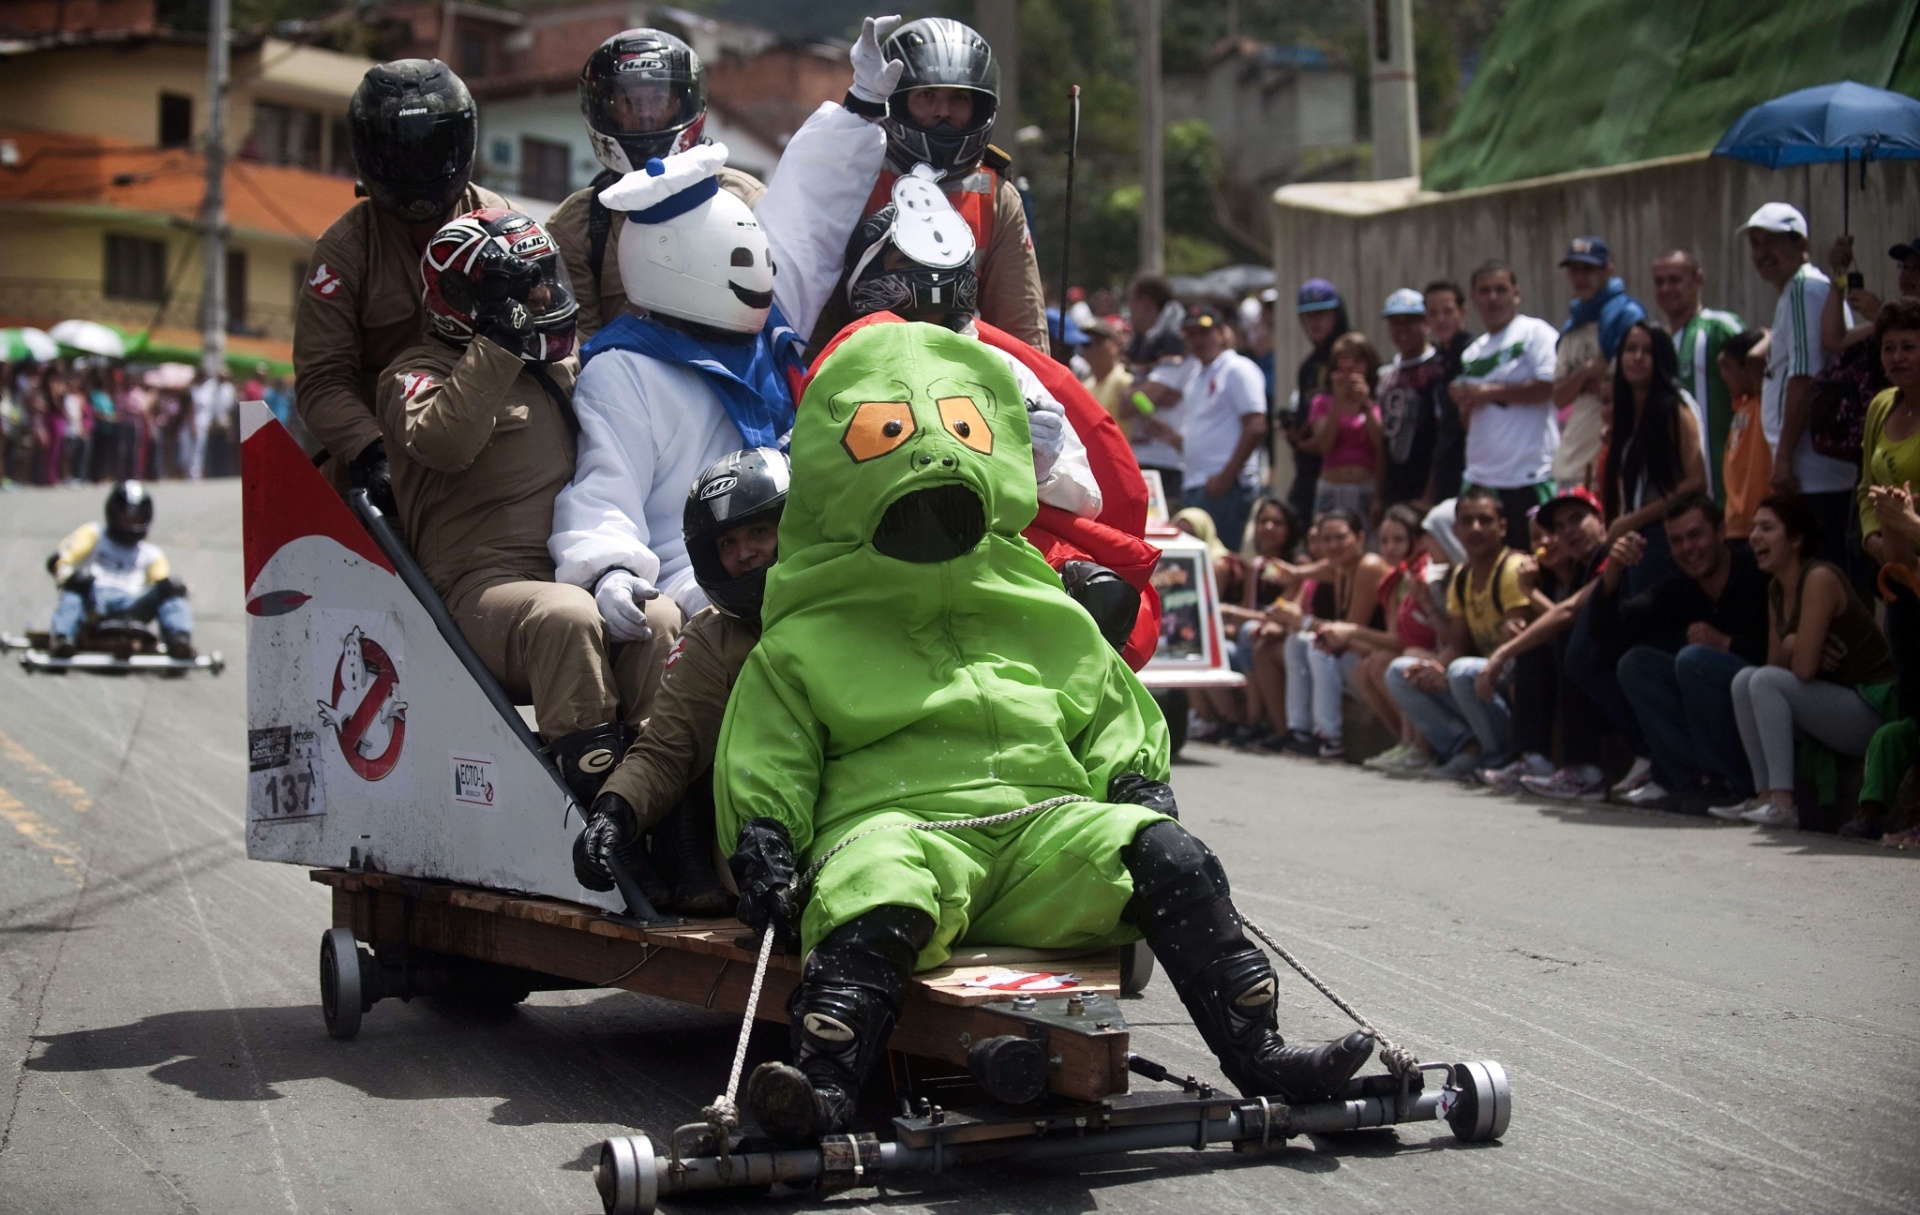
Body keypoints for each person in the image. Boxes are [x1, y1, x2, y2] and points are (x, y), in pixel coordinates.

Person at [712, 322, 1374, 1146]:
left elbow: (1106, 704)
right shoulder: (804, 634)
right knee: (874, 883)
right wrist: (767, 834)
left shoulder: (1040, 606)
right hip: (900, 830)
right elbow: (767, 749)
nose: (932, 464)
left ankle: (1264, 1053)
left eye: (959, 432)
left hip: (1046, 834)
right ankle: (822, 1090)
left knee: (1166, 851)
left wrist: (1135, 780)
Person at [375, 206, 657, 803]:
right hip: (481, 589)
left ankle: (669, 819)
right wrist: (497, 342)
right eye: (519, 287)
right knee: (564, 617)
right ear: (462, 298)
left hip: (576, 570)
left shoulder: (560, 367)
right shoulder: (412, 374)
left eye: (544, 276)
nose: (542, 294)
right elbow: (444, 442)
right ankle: (601, 823)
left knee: (659, 621)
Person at [547, 143, 823, 631]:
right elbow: (605, 489)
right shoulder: (624, 368)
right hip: (690, 579)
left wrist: (860, 109)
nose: (760, 272)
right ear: (673, 260)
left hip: (798, 563)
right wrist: (611, 567)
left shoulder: (769, 343)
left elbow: (816, 206)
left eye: (758, 256)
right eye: (739, 257)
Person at [572, 448, 788, 914]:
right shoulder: (712, 637)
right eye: (726, 543)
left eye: (758, 532)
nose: (744, 553)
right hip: (769, 842)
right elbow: (668, 749)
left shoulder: (855, 605)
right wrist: (614, 811)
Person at [294, 59, 506, 510]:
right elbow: (322, 379)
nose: (416, 167)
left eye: (431, 147)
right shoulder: (343, 249)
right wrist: (369, 449)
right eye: (398, 151)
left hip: (485, 442)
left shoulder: (500, 224)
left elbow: (545, 340)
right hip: (379, 453)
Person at [808, 16, 1047, 353]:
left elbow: (1022, 333)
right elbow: (811, 317)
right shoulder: (851, 178)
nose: (943, 112)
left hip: (961, 382)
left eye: (959, 99)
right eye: (927, 96)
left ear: (980, 106)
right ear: (900, 100)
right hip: (856, 372)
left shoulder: (996, 198)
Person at [547, 29, 768, 346]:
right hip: (627, 387)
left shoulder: (746, 199)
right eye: (628, 102)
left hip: (732, 383)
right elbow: (578, 347)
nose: (645, 113)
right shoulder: (576, 225)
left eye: (657, 99)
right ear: (604, 110)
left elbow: (783, 318)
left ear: (683, 104)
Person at [1713, 495, 1897, 828]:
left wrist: (1799, 649)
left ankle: (1784, 803)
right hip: (1833, 703)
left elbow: (1801, 670)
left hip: (1871, 708)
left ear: (1796, 539)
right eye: (1754, 528)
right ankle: (1765, 795)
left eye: (1767, 528)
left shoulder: (1820, 578)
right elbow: (1775, 664)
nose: (1754, 537)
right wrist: (1794, 641)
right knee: (1746, 680)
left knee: (1762, 680)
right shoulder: (1776, 590)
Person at [1595, 494, 1769, 812]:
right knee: (1636, 665)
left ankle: (1728, 782)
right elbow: (1612, 632)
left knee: (1694, 660)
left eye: (1695, 535)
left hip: (1759, 700)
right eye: (1677, 541)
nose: (1688, 548)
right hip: (1710, 709)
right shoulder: (1678, 587)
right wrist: (1613, 573)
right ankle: (1687, 780)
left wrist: (1726, 643)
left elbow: (1777, 653)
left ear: (1720, 532)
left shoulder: (1755, 572)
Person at [1473, 488, 1621, 799]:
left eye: (1576, 519)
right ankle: (1535, 759)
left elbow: (1567, 614)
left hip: (1624, 674)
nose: (1565, 532)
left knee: (1564, 640)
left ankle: (1586, 770)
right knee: (1537, 645)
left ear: (1602, 520)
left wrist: (1503, 652)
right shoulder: (1571, 570)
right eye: (1559, 526)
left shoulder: (1613, 556)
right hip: (1599, 675)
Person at [1385, 487, 1532, 780]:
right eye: (1466, 521)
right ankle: (1466, 749)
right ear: (1455, 529)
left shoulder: (1514, 569)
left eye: (1484, 520)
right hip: (1477, 675)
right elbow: (1457, 643)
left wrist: (1449, 669)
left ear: (1502, 527)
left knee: (1461, 672)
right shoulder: (1462, 576)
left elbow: (1514, 647)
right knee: (1401, 672)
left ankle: (1498, 758)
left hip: (1512, 675)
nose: (1475, 528)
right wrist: (1436, 668)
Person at [1741, 203, 1856, 569]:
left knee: (1820, 578)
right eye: (1755, 244)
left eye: (1770, 243)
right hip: (1809, 469)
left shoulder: (1805, 289)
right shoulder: (1799, 290)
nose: (1761, 254)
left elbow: (1805, 378)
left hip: (1812, 470)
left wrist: (1785, 457)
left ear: (1800, 243)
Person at [1322, 504, 1440, 774]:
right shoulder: (1392, 580)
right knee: (1367, 667)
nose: (1390, 548)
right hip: (1408, 650)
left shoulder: (1426, 576)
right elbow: (1394, 637)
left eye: (1399, 540)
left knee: (1393, 661)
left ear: (1419, 541)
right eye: (1385, 540)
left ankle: (1423, 747)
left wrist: (1352, 633)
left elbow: (1402, 642)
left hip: (1430, 656)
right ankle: (1405, 742)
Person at [1451, 263, 1560, 548]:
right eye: (1484, 291)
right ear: (1474, 299)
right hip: (1480, 479)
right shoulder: (1472, 353)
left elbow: (1550, 386)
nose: (1493, 298)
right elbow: (1470, 422)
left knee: (1534, 563)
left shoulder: (1535, 333)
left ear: (1516, 294)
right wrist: (1465, 403)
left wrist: (1488, 391)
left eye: (1500, 289)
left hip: (1527, 477)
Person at [1598, 322, 1707, 593]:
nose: (1637, 357)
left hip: (1665, 538)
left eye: (1647, 351)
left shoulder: (1675, 409)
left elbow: (1696, 482)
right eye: (1631, 349)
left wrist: (1629, 522)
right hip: (1631, 540)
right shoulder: (1626, 416)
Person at [1152, 307, 1269, 550]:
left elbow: (1257, 425)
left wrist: (1226, 477)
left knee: (1221, 560)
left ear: (1222, 333)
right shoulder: (1198, 377)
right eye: (1190, 334)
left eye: (1204, 332)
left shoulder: (1237, 368)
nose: (1197, 340)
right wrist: (1173, 439)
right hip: (1198, 483)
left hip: (1225, 486)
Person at [1277, 508, 1390, 760]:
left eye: (1340, 537)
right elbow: (1314, 570)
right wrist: (1294, 574)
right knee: (1296, 641)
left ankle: (1330, 737)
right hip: (1353, 655)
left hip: (1371, 658)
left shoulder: (1368, 566)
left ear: (1360, 538)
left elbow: (1345, 635)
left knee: (1317, 647)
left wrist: (1304, 620)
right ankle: (1300, 731)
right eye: (1326, 539)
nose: (1332, 545)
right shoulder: (1340, 568)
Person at [46, 480, 193, 659]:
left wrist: (178, 589)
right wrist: (67, 575)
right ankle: (62, 638)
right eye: (126, 516)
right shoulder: (94, 534)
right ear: (113, 513)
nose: (130, 522)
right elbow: (62, 559)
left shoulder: (151, 554)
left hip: (133, 606)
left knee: (172, 586)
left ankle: (179, 640)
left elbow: (162, 581)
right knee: (78, 581)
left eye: (136, 517)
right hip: (95, 601)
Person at [1552, 236, 1647, 489]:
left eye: (1589, 269)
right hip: (1572, 456)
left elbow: (1625, 386)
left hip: (1611, 454)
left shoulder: (1627, 316)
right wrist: (1585, 373)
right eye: (1574, 270)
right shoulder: (1573, 326)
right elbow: (1559, 396)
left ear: (1608, 269)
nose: (1580, 277)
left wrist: (1595, 381)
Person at [1652, 249, 1742, 500]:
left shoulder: (1719, 327)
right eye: (1659, 282)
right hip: (1687, 494)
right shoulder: (1663, 346)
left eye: (1675, 280)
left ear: (1698, 279)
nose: (1666, 288)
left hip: (1730, 484)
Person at [1376, 288, 1447, 514]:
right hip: (1393, 488)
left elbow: (1442, 437)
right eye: (1396, 323)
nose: (1402, 330)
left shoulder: (1440, 368)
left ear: (1426, 324)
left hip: (1428, 488)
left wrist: (1428, 495)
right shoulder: (1385, 375)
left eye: (1410, 322)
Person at [1283, 278, 1347, 522]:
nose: (1315, 322)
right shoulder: (1308, 366)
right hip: (1310, 468)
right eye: (1308, 316)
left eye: (1322, 314)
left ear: (1336, 314)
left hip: (1342, 466)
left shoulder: (1349, 355)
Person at [1303, 332, 1384, 525]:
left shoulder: (1378, 400)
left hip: (1366, 487)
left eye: (1357, 363)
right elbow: (1325, 446)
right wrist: (1337, 403)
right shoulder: (1322, 402)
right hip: (1332, 488)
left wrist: (1365, 403)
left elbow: (1381, 445)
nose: (1350, 371)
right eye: (1344, 363)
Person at [1718, 330, 1771, 544]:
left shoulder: (1763, 402)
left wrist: (1770, 334)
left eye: (1729, 368)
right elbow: (1721, 360)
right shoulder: (1742, 403)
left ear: (1747, 369)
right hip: (1735, 527)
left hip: (1757, 524)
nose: (1723, 375)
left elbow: (1756, 358)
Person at [1424, 279, 1472, 504]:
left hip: (1470, 467)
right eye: (1433, 314)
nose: (1440, 320)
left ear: (1463, 311)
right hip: (1445, 469)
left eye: (1447, 311)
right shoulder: (1437, 361)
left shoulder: (1473, 354)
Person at [1079, 318, 1132, 420]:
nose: (1093, 348)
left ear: (1115, 344)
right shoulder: (1085, 387)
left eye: (1099, 341)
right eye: (1086, 343)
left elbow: (1148, 410)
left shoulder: (1125, 380)